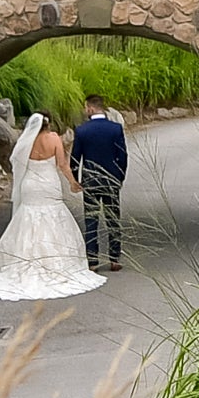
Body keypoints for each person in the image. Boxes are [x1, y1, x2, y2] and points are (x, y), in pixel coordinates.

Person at [0, 110, 103, 302]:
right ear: (49, 124)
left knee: (28, 219)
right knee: (53, 218)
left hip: (30, 185)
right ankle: (55, 262)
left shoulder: (25, 141)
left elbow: (16, 162)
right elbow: (62, 164)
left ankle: (23, 261)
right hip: (48, 184)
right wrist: (72, 182)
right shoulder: (54, 138)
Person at [71, 96, 130, 271]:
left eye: (85, 107)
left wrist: (76, 178)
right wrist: (119, 177)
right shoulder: (115, 129)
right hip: (111, 180)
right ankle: (114, 258)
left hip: (90, 181)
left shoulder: (82, 131)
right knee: (113, 219)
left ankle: (93, 261)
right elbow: (123, 156)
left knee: (91, 221)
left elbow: (75, 157)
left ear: (90, 108)